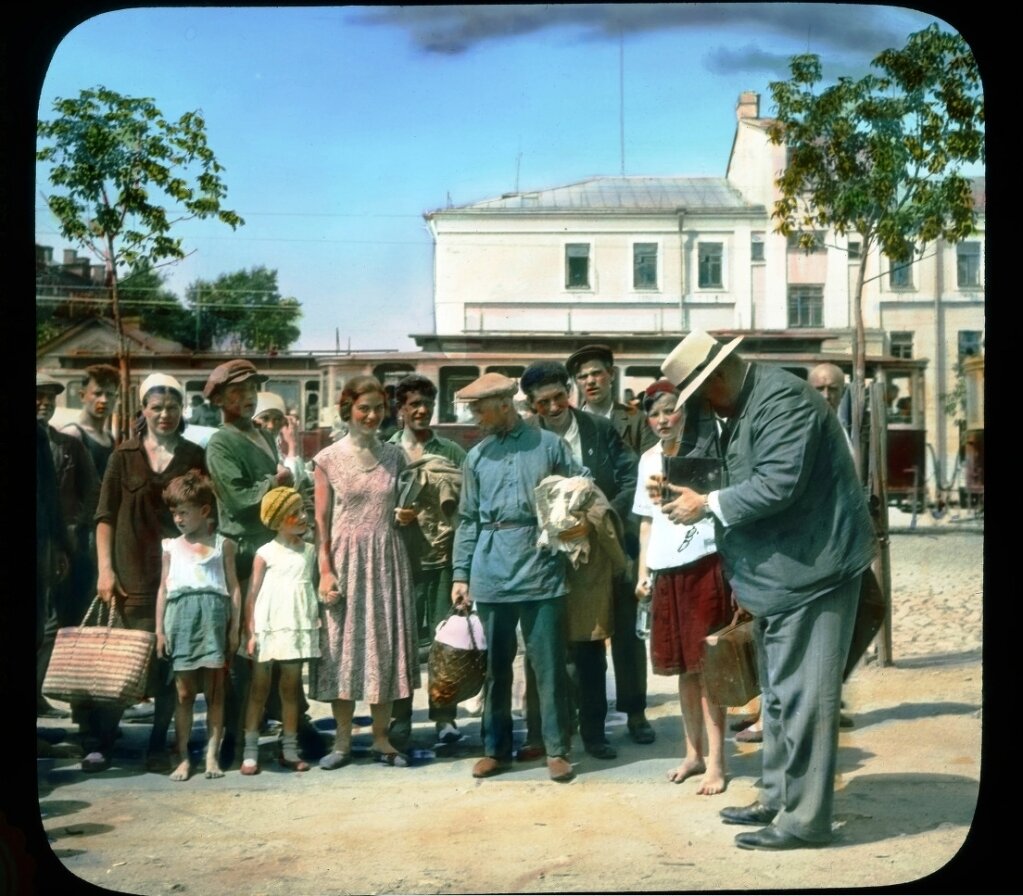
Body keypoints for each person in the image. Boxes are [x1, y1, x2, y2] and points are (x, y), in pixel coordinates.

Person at [659, 330, 875, 850]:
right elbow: (737, 472)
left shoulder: (782, 400)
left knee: (805, 699)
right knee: (778, 695)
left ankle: (805, 821)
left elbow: (779, 483)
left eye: (698, 394)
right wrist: (685, 488)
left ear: (715, 378)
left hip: (815, 569)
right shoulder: (742, 404)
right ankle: (777, 795)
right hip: (784, 572)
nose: (700, 406)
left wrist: (705, 504)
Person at [450, 372, 586, 783]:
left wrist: (570, 513)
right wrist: (461, 573)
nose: (475, 417)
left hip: (541, 567)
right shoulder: (477, 456)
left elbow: (582, 485)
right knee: (495, 667)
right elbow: (469, 518)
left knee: (547, 665)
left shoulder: (550, 445)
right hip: (490, 570)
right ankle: (495, 749)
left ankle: (556, 749)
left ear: (504, 405)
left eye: (480, 409)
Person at [87, 373, 207, 774]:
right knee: (123, 661)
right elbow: (104, 516)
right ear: (144, 410)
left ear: (181, 410)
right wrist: (105, 569)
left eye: (172, 407)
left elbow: (207, 513)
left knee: (170, 662)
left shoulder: (193, 455)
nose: (165, 414)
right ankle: (102, 743)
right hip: (130, 574)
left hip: (178, 575)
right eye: (157, 407)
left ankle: (158, 744)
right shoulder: (123, 455)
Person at [518, 361, 637, 761]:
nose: (553, 408)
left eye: (558, 398)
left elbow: (630, 479)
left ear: (569, 391)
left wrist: (601, 519)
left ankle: (595, 733)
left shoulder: (599, 429)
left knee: (589, 649)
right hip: (543, 557)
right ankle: (547, 734)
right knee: (545, 647)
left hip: (591, 558)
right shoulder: (526, 440)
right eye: (542, 403)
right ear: (532, 406)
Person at [312, 376, 419, 769]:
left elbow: (400, 506)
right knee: (343, 649)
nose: (372, 415)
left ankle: (381, 739)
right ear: (348, 409)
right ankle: (341, 743)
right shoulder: (327, 459)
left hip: (386, 558)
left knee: (383, 647)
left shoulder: (395, 456)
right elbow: (320, 522)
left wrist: (404, 516)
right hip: (345, 559)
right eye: (364, 408)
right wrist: (325, 570)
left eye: (378, 408)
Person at [632, 380, 733, 795]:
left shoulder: (707, 449)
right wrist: (643, 572)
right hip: (666, 569)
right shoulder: (648, 460)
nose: (662, 420)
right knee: (682, 670)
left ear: (685, 411)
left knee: (708, 668)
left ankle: (717, 763)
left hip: (704, 565)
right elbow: (646, 520)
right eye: (654, 414)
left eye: (669, 411)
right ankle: (692, 753)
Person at [203, 359, 300, 767]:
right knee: (248, 647)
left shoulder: (262, 434)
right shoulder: (221, 443)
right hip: (246, 553)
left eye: (251, 390)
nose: (245, 398)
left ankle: (288, 727)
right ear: (220, 400)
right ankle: (236, 739)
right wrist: (275, 484)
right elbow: (240, 498)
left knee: (281, 639)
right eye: (236, 392)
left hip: (276, 550)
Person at [565, 344, 656, 745]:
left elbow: (643, 475)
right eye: (583, 377)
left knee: (625, 629)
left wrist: (609, 517)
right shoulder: (571, 424)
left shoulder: (634, 420)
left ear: (611, 375)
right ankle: (590, 715)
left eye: (597, 374)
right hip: (582, 543)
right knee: (586, 629)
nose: (591, 382)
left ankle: (635, 712)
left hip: (624, 534)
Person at [386, 374, 467, 750]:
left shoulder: (450, 451)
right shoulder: (386, 451)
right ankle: (401, 719)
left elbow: (470, 501)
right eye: (413, 405)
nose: (421, 411)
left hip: (444, 561)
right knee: (401, 643)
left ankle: (445, 718)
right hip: (401, 561)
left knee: (446, 644)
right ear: (400, 409)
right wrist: (394, 515)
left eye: (427, 405)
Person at [156, 471, 241, 781]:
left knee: (216, 692)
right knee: (183, 693)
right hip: (180, 620)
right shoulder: (170, 546)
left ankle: (211, 756)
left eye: (184, 512)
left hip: (213, 619)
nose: (178, 518)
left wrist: (234, 628)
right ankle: (182, 757)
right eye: (174, 512)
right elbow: (163, 589)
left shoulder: (223, 545)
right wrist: (160, 630)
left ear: (204, 511)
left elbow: (233, 588)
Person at [239, 487, 321, 775]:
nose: (302, 517)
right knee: (259, 689)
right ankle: (250, 750)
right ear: (276, 520)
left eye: (303, 511)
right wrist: (251, 632)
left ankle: (288, 748)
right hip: (268, 627)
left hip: (296, 626)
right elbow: (253, 594)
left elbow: (310, 588)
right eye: (293, 513)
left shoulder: (310, 551)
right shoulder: (265, 553)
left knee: (290, 689)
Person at [36, 373, 100, 719]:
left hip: (57, 544)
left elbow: (92, 490)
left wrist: (74, 528)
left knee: (54, 621)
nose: (44, 403)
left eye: (49, 397)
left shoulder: (68, 445)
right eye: (38, 397)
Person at [61, 363, 119, 480]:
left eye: (109, 394)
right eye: (97, 394)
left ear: (115, 398)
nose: (104, 400)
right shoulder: (72, 434)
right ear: (82, 396)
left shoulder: (109, 437)